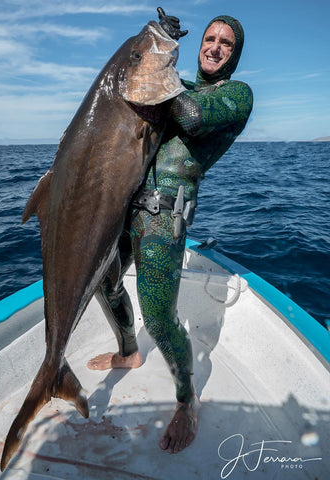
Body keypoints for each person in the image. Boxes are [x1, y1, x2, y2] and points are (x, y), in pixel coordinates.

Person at [87, 7, 253, 454]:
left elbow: (193, 118)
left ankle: (186, 400)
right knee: (104, 283)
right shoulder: (178, 87)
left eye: (226, 43)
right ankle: (128, 350)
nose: (214, 47)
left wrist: (154, 55)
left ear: (233, 55)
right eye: (209, 39)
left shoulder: (236, 95)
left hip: (164, 215)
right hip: (125, 205)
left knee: (159, 318)